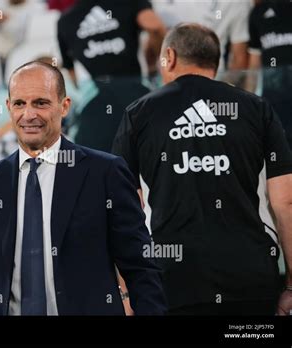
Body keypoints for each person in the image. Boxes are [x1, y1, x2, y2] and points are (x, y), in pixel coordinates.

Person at [0, 61, 167, 316]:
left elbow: (140, 266)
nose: (29, 114)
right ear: (8, 107)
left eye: (40, 103)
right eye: (19, 103)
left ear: (64, 106)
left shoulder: (105, 173)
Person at [112, 23, 292, 315]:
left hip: (173, 282)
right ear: (216, 61)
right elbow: (285, 202)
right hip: (251, 278)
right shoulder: (256, 108)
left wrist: (127, 291)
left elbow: (124, 209)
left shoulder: (139, 113)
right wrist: (291, 287)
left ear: (168, 56)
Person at [57, 0, 165, 152]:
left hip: (95, 101)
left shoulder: (65, 19)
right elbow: (154, 26)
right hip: (136, 92)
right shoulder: (128, 3)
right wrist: (153, 57)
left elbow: (71, 71)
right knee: (153, 159)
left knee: (98, 166)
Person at [151, 0, 251, 71]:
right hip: (169, 79)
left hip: (212, 79)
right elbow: (152, 35)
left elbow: (239, 57)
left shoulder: (236, 3)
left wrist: (226, 93)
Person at [249, 0, 292, 149]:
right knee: (279, 146)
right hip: (274, 94)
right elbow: (254, 62)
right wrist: (248, 100)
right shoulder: (257, 13)